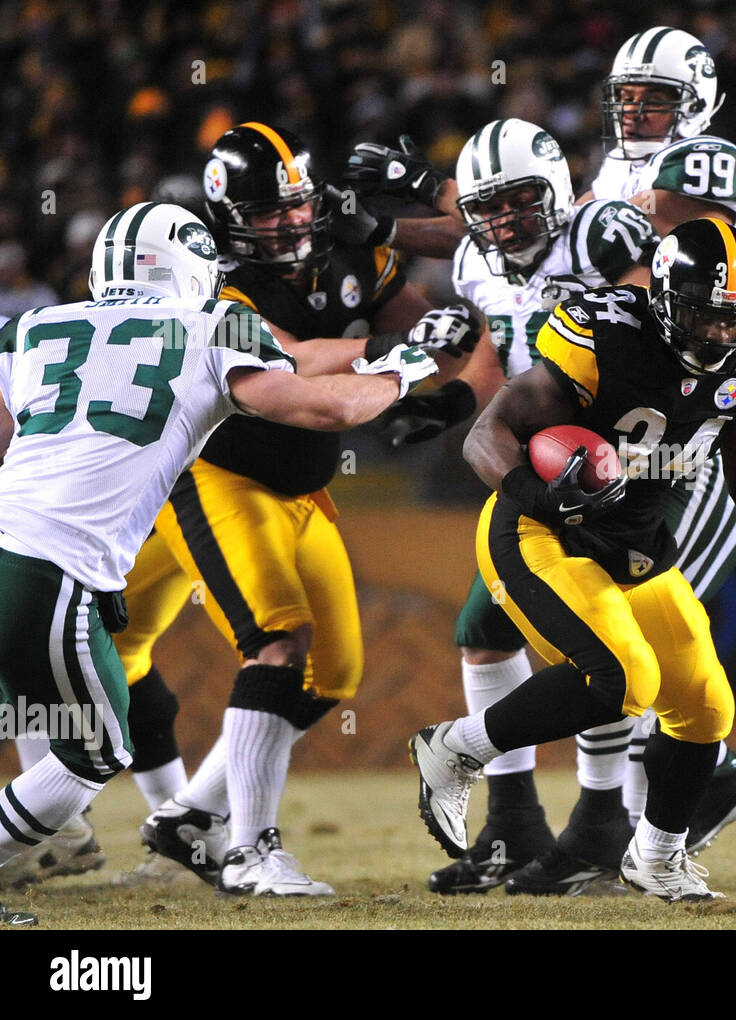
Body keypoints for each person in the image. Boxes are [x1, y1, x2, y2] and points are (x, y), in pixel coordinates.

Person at [0, 202, 434, 910]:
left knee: (51, 712)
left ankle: (157, 822)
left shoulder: (34, 326)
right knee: (95, 749)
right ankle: (188, 830)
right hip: (51, 568)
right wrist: (397, 375)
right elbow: (319, 408)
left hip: (13, 544)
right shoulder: (210, 325)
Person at [112, 123, 476, 894]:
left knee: (334, 673)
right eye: (268, 210)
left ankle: (187, 817)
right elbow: (292, 356)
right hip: (221, 478)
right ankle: (251, 851)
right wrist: (399, 355)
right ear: (228, 216)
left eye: (295, 204)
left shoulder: (351, 249)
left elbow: (411, 314)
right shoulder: (220, 280)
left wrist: (434, 338)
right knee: (276, 641)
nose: (288, 221)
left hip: (305, 487)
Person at [410, 219, 736, 902]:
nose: (719, 335)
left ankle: (656, 857)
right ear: (668, 301)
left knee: (706, 706)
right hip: (540, 529)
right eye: (706, 316)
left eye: (732, 320)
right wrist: (542, 494)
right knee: (624, 675)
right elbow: (485, 435)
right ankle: (455, 748)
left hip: (635, 542)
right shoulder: (606, 336)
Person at [519, 24, 736, 892]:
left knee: (646, 642)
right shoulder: (618, 174)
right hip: (642, 420)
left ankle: (642, 822)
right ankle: (629, 817)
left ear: (699, 101)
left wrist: (603, 230)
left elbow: (690, 270)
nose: (640, 109)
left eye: (659, 95)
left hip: (709, 426)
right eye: (629, 95)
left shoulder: (708, 164)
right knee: (614, 639)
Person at [387, 118, 663, 895]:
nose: (505, 219)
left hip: (619, 461)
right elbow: (501, 354)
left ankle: (612, 822)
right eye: (490, 206)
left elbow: (655, 333)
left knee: (607, 649)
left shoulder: (603, 236)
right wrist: (451, 401)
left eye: (520, 200)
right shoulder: (475, 256)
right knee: (484, 631)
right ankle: (516, 822)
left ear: (556, 193)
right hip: (538, 466)